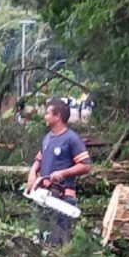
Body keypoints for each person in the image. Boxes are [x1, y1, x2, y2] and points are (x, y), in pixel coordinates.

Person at [25, 98, 92, 246]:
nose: (45, 116)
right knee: (42, 240)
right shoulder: (47, 138)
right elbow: (39, 160)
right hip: (44, 195)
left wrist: (63, 173)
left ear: (58, 116)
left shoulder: (71, 139)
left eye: (48, 113)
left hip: (63, 197)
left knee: (59, 242)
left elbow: (85, 165)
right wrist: (32, 174)